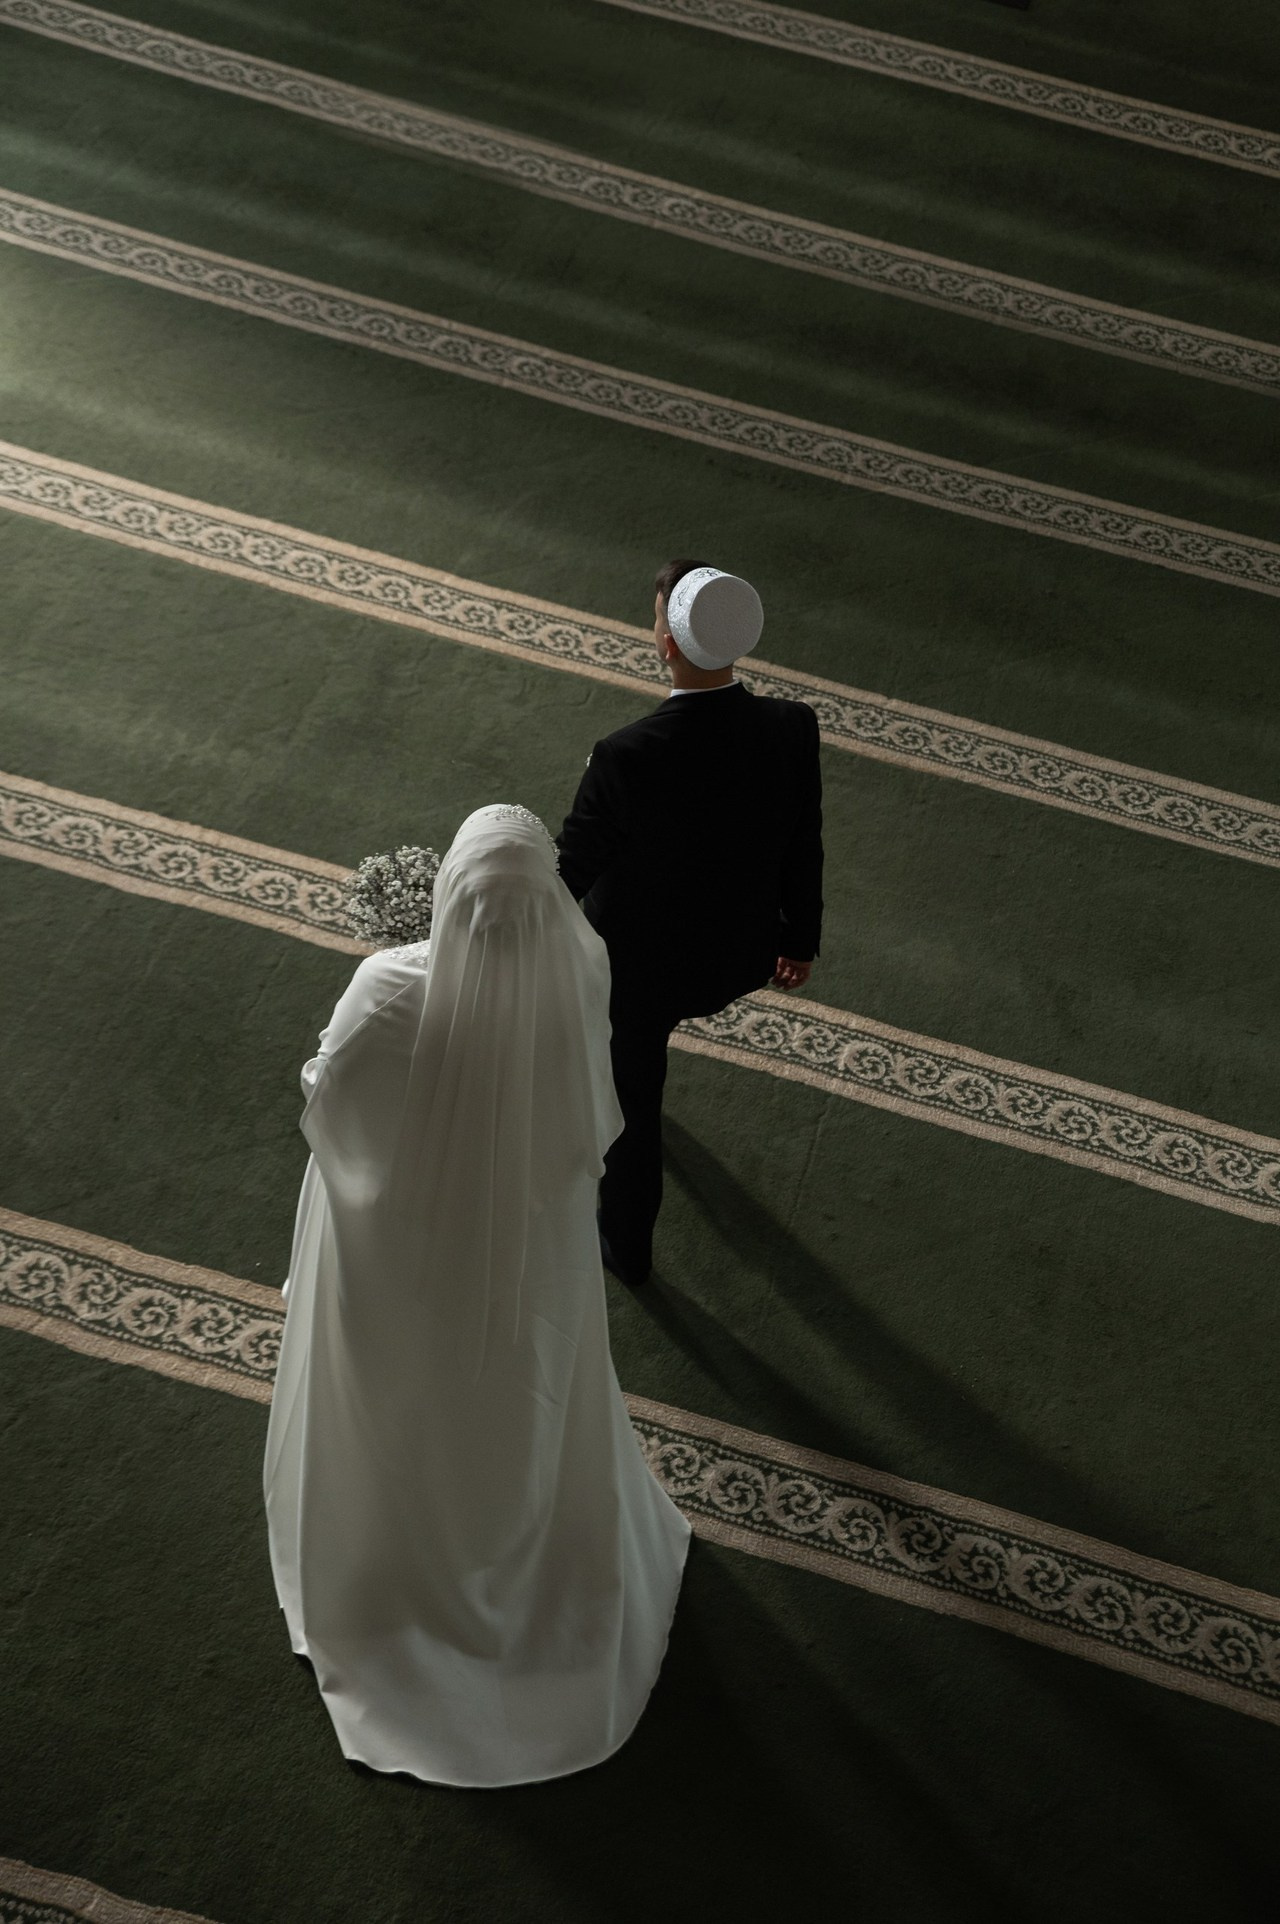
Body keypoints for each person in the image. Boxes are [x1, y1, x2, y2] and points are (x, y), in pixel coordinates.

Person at [263, 806, 690, 1786]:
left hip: (401, 1250)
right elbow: (586, 1120)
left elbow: (328, 1095)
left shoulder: (388, 987)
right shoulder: (577, 977)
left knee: (400, 1396)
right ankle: (507, 1549)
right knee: (514, 1394)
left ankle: (396, 1559)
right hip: (524, 1250)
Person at [557, 562, 824, 1286]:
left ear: (668, 644)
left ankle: (627, 1250)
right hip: (736, 956)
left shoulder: (625, 755)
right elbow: (803, 841)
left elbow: (570, 871)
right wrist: (798, 941)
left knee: (632, 1109)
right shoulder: (792, 726)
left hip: (635, 977)